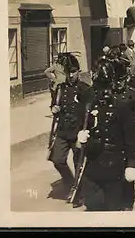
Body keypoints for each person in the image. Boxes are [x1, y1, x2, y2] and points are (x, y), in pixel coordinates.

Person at [76, 59, 135, 211]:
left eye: (106, 86)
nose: (103, 92)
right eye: (99, 86)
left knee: (113, 209)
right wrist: (80, 136)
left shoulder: (122, 105)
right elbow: (81, 124)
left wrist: (131, 165)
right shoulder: (88, 102)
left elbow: (131, 140)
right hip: (93, 166)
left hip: (115, 167)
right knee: (93, 206)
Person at [48, 53, 91, 206]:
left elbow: (91, 111)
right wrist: (54, 108)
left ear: (79, 71)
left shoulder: (85, 89)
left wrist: (86, 132)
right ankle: (70, 183)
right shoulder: (60, 88)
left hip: (78, 131)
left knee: (79, 162)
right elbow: (54, 104)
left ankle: (78, 193)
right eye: (68, 72)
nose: (71, 75)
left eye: (73, 71)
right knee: (57, 160)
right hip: (63, 130)